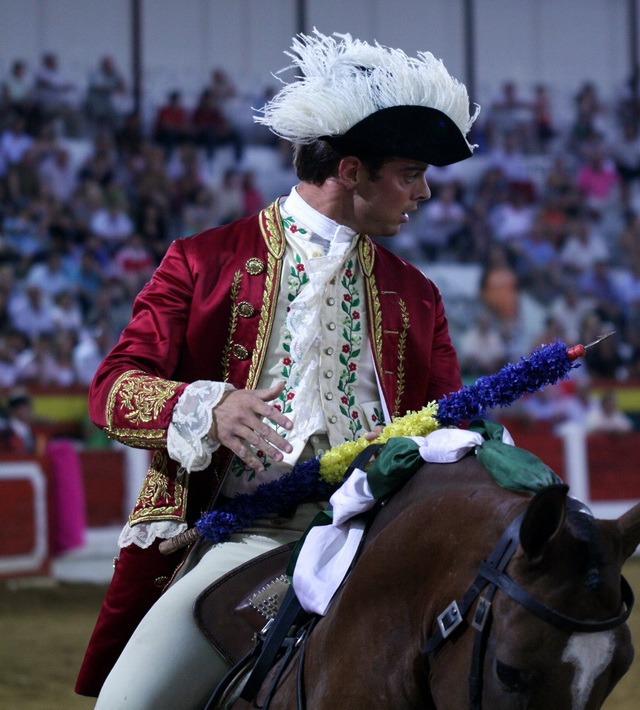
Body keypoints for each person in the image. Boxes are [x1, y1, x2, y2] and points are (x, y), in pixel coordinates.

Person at [76, 30, 478, 707]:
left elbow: (453, 425)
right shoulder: (204, 261)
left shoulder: (417, 294)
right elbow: (112, 389)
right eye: (411, 173)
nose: (426, 193)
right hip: (245, 538)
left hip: (378, 543)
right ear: (351, 171)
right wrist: (205, 408)